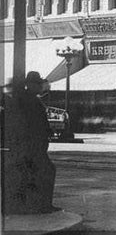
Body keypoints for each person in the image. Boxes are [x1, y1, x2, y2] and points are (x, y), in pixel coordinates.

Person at [2, 72, 56, 215]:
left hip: (33, 144)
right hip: (32, 145)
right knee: (45, 172)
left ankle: (39, 204)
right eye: (37, 84)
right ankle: (42, 205)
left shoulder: (30, 99)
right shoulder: (28, 100)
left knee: (39, 173)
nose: (40, 87)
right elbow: (30, 123)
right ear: (30, 85)